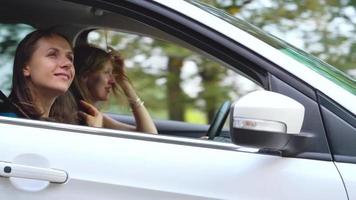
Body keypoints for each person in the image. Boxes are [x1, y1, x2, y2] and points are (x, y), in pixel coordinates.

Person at [72, 45, 157, 134]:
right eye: (106, 72)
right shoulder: (70, 114)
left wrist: (124, 83)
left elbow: (149, 133)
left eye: (112, 73)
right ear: (85, 75)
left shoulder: (94, 115)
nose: (113, 81)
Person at [4, 29, 78, 124]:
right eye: (52, 55)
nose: (68, 64)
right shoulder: (9, 122)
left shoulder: (66, 123)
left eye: (70, 58)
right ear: (25, 67)